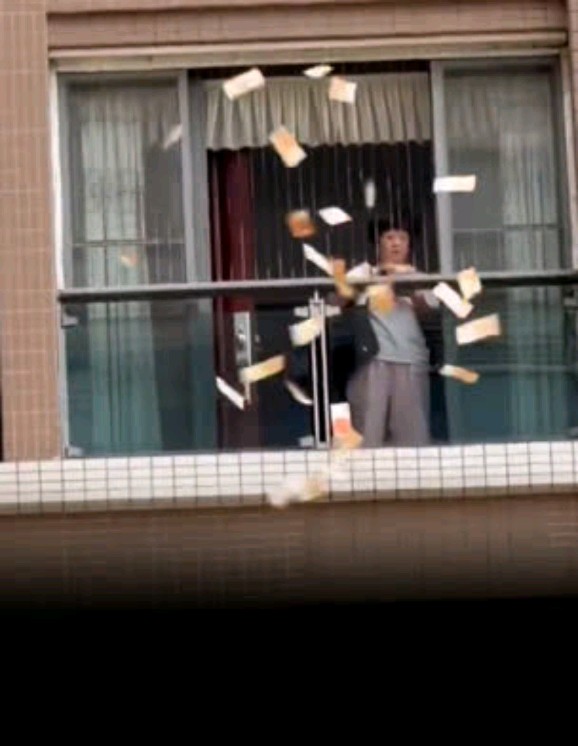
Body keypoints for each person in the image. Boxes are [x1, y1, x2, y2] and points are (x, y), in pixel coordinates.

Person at [334, 222, 438, 447]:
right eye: (389, 237)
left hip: (410, 359)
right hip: (370, 360)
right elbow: (336, 301)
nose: (396, 243)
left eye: (402, 238)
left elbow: (429, 311)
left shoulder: (418, 276)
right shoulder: (363, 272)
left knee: (412, 436)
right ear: (378, 243)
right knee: (368, 432)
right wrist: (372, 281)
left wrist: (408, 284)